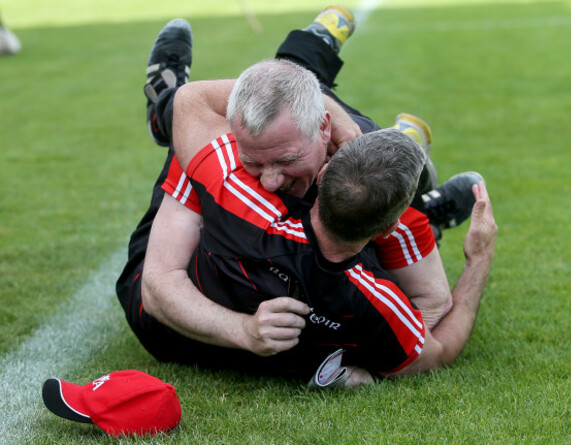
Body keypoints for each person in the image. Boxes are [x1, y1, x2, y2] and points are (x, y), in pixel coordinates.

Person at [116, 7, 497, 381]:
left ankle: (166, 98)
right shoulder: (375, 298)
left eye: (286, 160)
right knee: (361, 153)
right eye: (254, 162)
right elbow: (435, 323)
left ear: (326, 155)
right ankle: (418, 197)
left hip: (178, 325)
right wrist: (477, 260)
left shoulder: (226, 175)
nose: (268, 180)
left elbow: (192, 102)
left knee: (266, 123)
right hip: (171, 323)